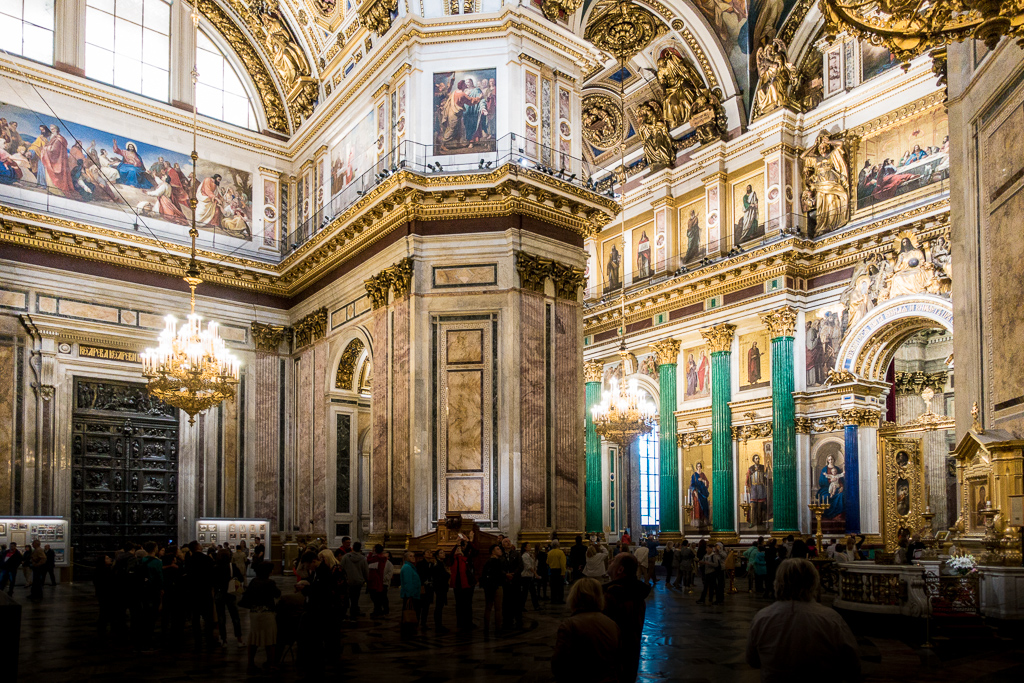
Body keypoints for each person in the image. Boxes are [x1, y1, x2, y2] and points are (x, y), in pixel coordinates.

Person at [746, 559, 860, 682]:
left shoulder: (762, 618)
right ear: (814, 582)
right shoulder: (831, 619)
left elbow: (753, 660)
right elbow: (852, 665)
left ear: (778, 583)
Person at [551, 578, 621, 683]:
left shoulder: (570, 625)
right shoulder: (612, 624)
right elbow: (619, 661)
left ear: (574, 597)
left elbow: (559, 663)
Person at [603, 553, 651, 683]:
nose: (610, 561)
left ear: (620, 569)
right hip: (632, 652)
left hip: (611, 656)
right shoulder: (638, 593)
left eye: (614, 560)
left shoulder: (612, 595)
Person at [241, 561, 280, 672]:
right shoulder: (270, 583)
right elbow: (277, 594)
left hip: (254, 613)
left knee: (254, 638)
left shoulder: (254, 581)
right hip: (267, 613)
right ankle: (271, 663)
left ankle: (250, 663)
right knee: (270, 639)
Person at [185, 540, 217, 647]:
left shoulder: (189, 560)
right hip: (205, 590)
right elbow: (212, 574)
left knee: (195, 617)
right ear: (198, 547)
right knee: (208, 617)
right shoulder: (207, 559)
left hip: (193, 591)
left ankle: (197, 640)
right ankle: (209, 639)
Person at [213, 548, 244, 647]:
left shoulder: (215, 568)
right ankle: (239, 640)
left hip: (219, 593)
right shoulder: (232, 566)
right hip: (230, 593)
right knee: (235, 617)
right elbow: (241, 578)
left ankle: (224, 640)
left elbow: (212, 581)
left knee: (221, 617)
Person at [450, 541, 476, 631]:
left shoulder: (467, 558)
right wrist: (456, 545)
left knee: (468, 604)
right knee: (459, 604)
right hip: (458, 585)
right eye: (457, 549)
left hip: (467, 584)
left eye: (460, 548)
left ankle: (468, 622)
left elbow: (475, 551)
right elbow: (451, 555)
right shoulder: (453, 559)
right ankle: (460, 622)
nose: (459, 550)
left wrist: (469, 541)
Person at [480, 544, 506, 634]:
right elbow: (498, 574)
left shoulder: (488, 562)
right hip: (496, 586)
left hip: (488, 587)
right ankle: (498, 628)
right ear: (493, 552)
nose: (500, 550)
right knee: (498, 608)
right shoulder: (496, 561)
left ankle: (486, 627)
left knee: (488, 607)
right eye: (497, 549)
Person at [340, 541, 369, 619]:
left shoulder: (346, 557)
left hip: (348, 581)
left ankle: (344, 613)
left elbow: (341, 568)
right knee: (355, 598)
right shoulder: (363, 559)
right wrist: (367, 580)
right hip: (358, 581)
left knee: (346, 597)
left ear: (353, 547)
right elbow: (366, 571)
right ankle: (354, 612)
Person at [501, 537, 524, 629]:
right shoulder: (501, 555)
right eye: (506, 542)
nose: (508, 543)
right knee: (506, 602)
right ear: (502, 545)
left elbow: (520, 566)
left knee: (517, 601)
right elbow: (499, 567)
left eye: (509, 541)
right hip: (505, 582)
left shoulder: (516, 554)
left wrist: (513, 574)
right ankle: (507, 620)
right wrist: (505, 575)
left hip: (515, 581)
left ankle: (519, 620)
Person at [399, 550, 421, 638]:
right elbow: (408, 582)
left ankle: (409, 630)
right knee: (409, 612)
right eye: (410, 556)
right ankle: (408, 631)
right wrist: (409, 595)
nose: (413, 557)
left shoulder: (410, 567)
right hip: (411, 595)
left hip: (413, 594)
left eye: (413, 556)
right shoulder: (407, 567)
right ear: (406, 558)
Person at [416, 549, 437, 630]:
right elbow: (419, 574)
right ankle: (416, 621)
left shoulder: (432, 564)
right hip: (422, 586)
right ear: (424, 555)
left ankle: (423, 623)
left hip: (429, 588)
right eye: (427, 552)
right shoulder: (420, 563)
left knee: (426, 606)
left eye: (431, 552)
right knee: (419, 606)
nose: (429, 553)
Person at [367, 543, 388, 617]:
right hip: (378, 579)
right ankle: (378, 610)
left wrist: (370, 553)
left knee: (375, 597)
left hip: (375, 580)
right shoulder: (381, 557)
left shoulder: (376, 558)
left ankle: (377, 611)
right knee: (377, 597)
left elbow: (368, 560)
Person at [432, 548, 450, 632]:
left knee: (440, 606)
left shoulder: (442, 563)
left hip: (442, 587)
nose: (444, 554)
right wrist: (448, 574)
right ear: (437, 556)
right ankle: (438, 625)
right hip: (440, 588)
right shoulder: (438, 565)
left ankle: (439, 625)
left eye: (444, 552)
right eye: (441, 553)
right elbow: (440, 577)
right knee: (439, 607)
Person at [520, 542, 540, 611]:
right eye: (528, 546)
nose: (530, 547)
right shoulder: (524, 556)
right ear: (525, 548)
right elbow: (528, 566)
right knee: (525, 592)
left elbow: (534, 563)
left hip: (530, 575)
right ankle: (522, 606)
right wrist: (535, 573)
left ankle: (536, 605)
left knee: (533, 591)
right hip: (526, 576)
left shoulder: (530, 555)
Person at [548, 539, 567, 604]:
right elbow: (562, 564)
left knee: (553, 586)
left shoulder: (549, 552)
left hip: (552, 570)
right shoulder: (560, 552)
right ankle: (560, 599)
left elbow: (547, 562)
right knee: (560, 586)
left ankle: (553, 599)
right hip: (559, 571)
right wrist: (563, 572)